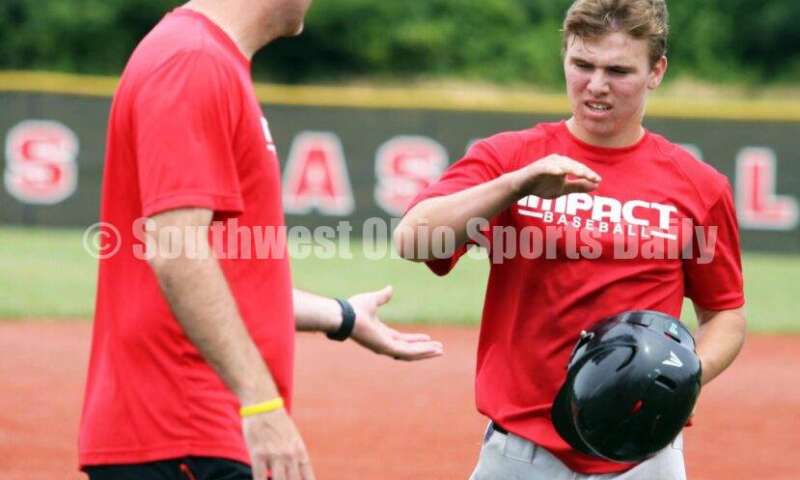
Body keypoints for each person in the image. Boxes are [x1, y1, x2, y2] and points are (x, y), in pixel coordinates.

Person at [78, 1, 443, 479]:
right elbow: (177, 251)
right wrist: (260, 403)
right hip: (186, 428)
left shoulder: (206, 58)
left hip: (191, 428)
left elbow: (218, 278)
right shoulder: (192, 60)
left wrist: (342, 316)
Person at [395, 0, 746, 479]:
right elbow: (413, 240)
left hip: (644, 455)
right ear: (564, 56)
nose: (596, 85)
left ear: (656, 71)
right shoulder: (512, 158)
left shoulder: (698, 185)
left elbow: (724, 312)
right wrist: (516, 184)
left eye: (619, 70)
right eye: (582, 64)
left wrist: (682, 376)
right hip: (521, 451)